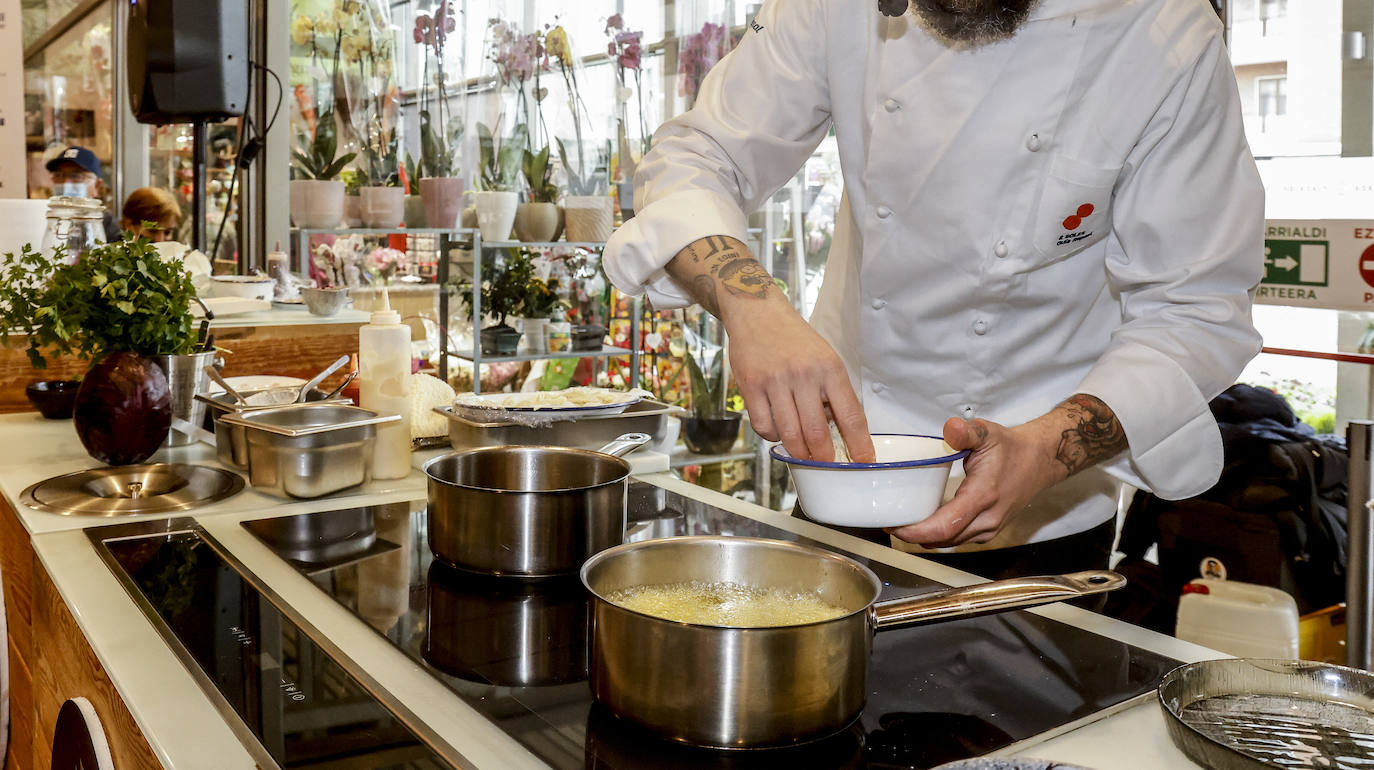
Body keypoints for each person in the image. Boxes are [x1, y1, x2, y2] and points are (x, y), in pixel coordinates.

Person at [604, 0, 1264, 579]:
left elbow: (1194, 309)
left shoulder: (1165, 32)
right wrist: (752, 303)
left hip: (1042, 522)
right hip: (841, 480)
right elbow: (699, 154)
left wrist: (1045, 450)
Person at [45, 146, 121, 242]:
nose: (65, 182)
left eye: (76, 176)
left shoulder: (109, 227)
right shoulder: (45, 219)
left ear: (97, 186)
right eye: (59, 175)